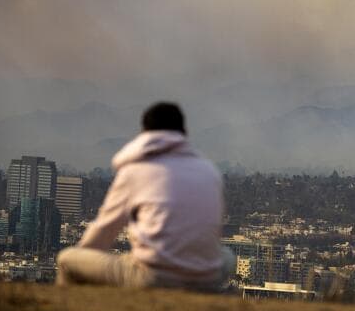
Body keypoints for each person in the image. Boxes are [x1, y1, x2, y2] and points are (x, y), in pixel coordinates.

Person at [56, 102, 231, 290]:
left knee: (66, 259)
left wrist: (83, 258)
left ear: (144, 133)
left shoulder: (135, 171)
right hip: (207, 278)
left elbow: (105, 230)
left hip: (153, 277)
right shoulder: (210, 171)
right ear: (184, 132)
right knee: (228, 256)